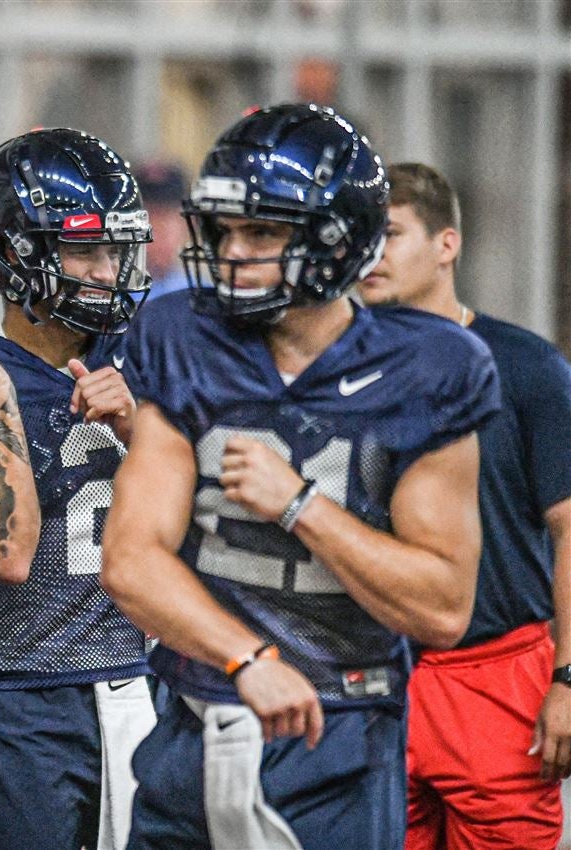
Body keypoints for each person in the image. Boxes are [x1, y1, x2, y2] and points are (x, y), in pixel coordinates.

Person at [100, 104, 501, 850]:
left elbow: (443, 607)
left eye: (263, 232)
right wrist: (245, 656)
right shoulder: (182, 336)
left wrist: (301, 504)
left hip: (339, 736)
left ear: (336, 240)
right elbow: (129, 560)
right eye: (223, 230)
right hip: (196, 717)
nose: (232, 252)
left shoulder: (430, 368)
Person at [0, 128, 157, 850]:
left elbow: (215, 527)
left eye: (115, 249)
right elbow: (9, 555)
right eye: (84, 249)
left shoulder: (153, 362)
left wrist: (145, 429)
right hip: (20, 695)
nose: (107, 270)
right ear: (15, 255)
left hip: (149, 682)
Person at [359, 162, 571, 850]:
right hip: (372, 678)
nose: (370, 255)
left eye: (388, 234)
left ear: (447, 244)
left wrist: (569, 677)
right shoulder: (336, 371)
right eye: (359, 237)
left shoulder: (528, 368)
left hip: (497, 675)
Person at [133, 160, 191, 299]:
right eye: (149, 216)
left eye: (167, 216)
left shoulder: (203, 297)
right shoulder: (110, 294)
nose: (158, 228)